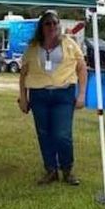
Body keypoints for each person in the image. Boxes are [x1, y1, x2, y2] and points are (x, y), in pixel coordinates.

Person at [17, 11, 87, 184]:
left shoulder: (69, 44)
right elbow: (23, 75)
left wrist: (82, 94)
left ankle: (67, 170)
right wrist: (23, 98)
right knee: (44, 133)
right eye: (48, 23)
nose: (52, 27)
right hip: (39, 95)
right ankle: (50, 170)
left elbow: (82, 68)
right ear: (41, 26)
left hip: (63, 94)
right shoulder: (33, 47)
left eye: (55, 23)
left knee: (62, 134)